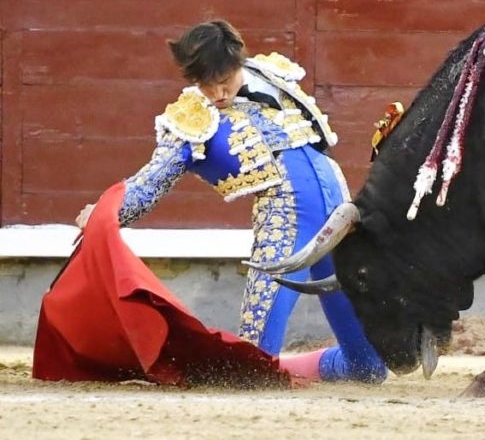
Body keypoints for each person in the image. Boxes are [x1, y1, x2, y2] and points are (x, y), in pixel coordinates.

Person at [74, 20, 386, 384]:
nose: (218, 93)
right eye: (207, 85)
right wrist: (105, 212)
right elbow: (151, 181)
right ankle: (263, 369)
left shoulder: (272, 75)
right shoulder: (192, 117)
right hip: (286, 219)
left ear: (239, 61)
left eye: (225, 79)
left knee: (368, 369)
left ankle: (287, 369)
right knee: (252, 366)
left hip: (341, 213)